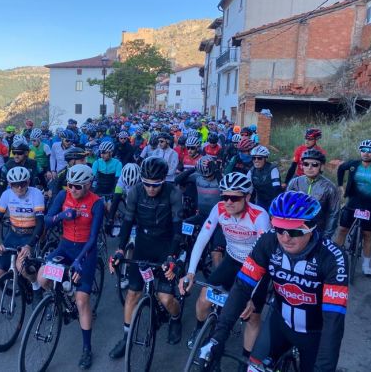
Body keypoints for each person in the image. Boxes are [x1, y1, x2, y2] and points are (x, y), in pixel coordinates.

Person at [203, 191, 348, 372]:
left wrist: (325, 367)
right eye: (279, 228)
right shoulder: (268, 241)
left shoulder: (333, 257)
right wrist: (218, 336)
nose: (285, 238)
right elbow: (242, 286)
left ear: (311, 227)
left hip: (315, 334)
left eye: (294, 231)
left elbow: (334, 319)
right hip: (279, 324)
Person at [180, 172, 270, 356]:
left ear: (247, 197)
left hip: (255, 267)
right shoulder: (219, 208)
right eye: (224, 196)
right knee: (204, 298)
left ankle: (246, 359)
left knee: (252, 317)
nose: (228, 202)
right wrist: (190, 272)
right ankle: (200, 330)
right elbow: (203, 238)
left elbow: (265, 257)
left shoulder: (259, 216)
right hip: (231, 260)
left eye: (234, 197)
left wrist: (251, 297)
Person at [109, 157, 184, 359]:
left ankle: (176, 319)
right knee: (133, 294)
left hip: (165, 244)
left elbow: (178, 228)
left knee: (165, 298)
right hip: (143, 244)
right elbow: (127, 222)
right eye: (147, 184)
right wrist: (120, 250)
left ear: (163, 180)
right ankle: (126, 338)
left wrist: (172, 256)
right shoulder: (135, 192)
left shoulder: (174, 193)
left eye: (156, 185)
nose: (150, 189)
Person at [41, 164, 105, 369]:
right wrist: (62, 216)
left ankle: (87, 348)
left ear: (88, 184)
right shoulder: (62, 195)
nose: (73, 190)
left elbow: (93, 238)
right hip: (65, 247)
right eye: (70, 185)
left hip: (85, 251)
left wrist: (79, 261)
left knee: (81, 301)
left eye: (77, 186)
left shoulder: (97, 203)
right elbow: (47, 221)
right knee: (42, 277)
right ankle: (61, 297)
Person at [0, 167, 45, 333]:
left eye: (23, 184)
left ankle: (35, 286)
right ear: (10, 184)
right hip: (13, 234)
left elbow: (40, 223)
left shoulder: (36, 194)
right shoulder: (6, 195)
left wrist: (29, 245)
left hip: (29, 235)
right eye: (15, 185)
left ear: (28, 182)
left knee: (22, 269)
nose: (19, 188)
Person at [335, 139, 371, 276]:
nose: (366, 154)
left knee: (368, 234)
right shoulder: (353, 164)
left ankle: (366, 265)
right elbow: (341, 168)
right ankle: (335, 258)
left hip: (370, 203)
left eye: (370, 151)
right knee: (343, 229)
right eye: (363, 150)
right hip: (353, 201)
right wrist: (340, 186)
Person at [287, 149, 339, 241]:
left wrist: (326, 236)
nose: (309, 167)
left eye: (314, 164)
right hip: (296, 229)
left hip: (318, 231)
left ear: (321, 167)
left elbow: (333, 214)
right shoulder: (295, 182)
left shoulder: (329, 187)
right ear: (302, 166)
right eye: (306, 164)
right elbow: (287, 206)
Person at [105, 162, 141, 235]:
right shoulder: (121, 179)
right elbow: (116, 200)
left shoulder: (142, 180)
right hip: (127, 195)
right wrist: (110, 219)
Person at [247, 145, 281, 211]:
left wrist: (274, 205)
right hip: (260, 200)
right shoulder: (251, 171)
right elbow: (248, 190)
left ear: (265, 159)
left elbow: (276, 188)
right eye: (254, 158)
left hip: (274, 198)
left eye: (259, 158)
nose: (256, 160)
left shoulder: (272, 169)